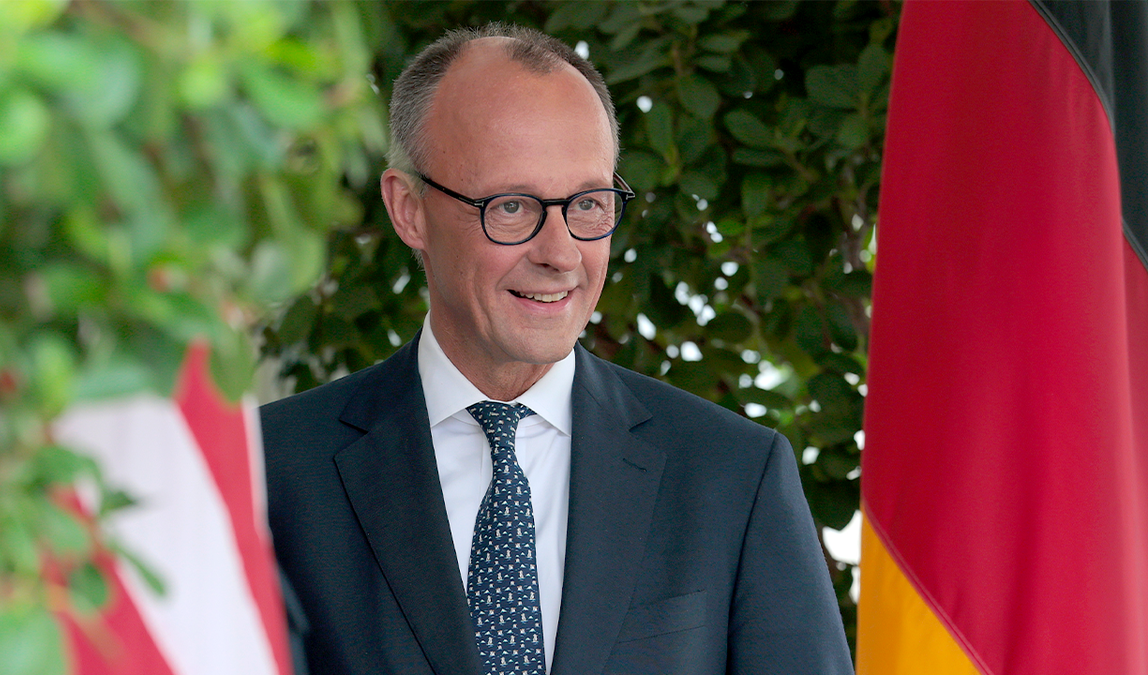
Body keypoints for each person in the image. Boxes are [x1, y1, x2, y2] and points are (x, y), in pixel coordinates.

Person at [261, 23, 853, 675]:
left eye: (588, 203)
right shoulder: (270, 472)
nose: (561, 253)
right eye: (512, 207)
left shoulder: (733, 474)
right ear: (409, 209)